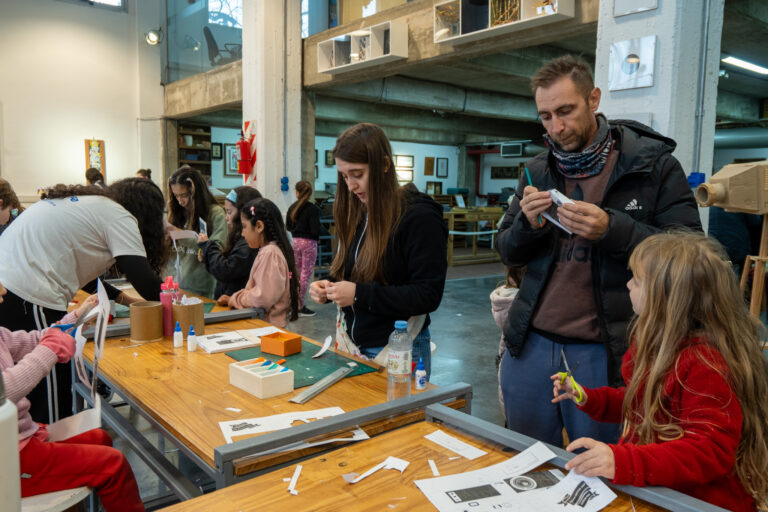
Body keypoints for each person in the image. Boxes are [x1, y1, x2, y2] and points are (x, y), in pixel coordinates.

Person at [497, 55, 702, 447]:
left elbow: (691, 252)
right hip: (531, 345)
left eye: (566, 111)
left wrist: (613, 230)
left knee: (601, 467)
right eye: (545, 117)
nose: (556, 128)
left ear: (593, 99)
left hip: (607, 350)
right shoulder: (538, 170)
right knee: (524, 458)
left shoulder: (653, 167)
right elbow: (507, 251)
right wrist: (527, 225)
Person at [552, 232, 768, 512]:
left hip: (697, 502)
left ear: (667, 298)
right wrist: (589, 397)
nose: (628, 284)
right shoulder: (657, 341)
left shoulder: (707, 364)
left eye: (637, 280)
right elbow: (643, 402)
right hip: (662, 491)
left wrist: (625, 461)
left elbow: (710, 451)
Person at [0, 178, 168, 423]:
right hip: (28, 293)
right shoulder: (120, 216)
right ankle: (52, 443)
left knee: (32, 393)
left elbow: (86, 277)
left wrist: (125, 299)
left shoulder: (93, 206)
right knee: (49, 393)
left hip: (11, 287)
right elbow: (142, 278)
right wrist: (175, 301)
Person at [309, 123, 447, 378]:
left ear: (384, 165)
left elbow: (428, 294)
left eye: (357, 174)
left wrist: (359, 295)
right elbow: (357, 273)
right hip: (353, 345)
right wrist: (329, 286)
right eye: (344, 176)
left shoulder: (419, 217)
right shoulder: (362, 213)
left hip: (398, 348)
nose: (350, 185)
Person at [0, 285, 145, 512]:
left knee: (100, 438)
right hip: (9, 459)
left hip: (19, 439)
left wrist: (74, 319)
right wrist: (50, 349)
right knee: (113, 465)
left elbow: (35, 339)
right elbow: (5, 391)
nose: (3, 290)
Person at [218, 198, 299, 328]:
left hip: (268, 329)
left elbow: (261, 298)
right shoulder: (269, 251)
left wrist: (235, 298)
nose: (243, 234)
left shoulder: (270, 253)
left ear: (259, 226)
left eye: (244, 227)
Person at [166, 166, 227, 298]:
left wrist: (180, 234)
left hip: (202, 289)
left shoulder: (215, 213)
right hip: (176, 287)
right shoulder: (178, 213)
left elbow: (217, 248)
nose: (180, 201)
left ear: (195, 192)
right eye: (176, 196)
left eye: (184, 195)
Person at [198, 186, 262, 300]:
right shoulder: (238, 238)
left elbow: (226, 271)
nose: (226, 218)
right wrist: (207, 256)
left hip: (237, 304)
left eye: (229, 212)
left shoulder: (249, 244)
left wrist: (208, 247)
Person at [286, 180, 321, 317]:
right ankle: (299, 306)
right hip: (309, 244)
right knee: (305, 275)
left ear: (297, 192)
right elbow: (315, 229)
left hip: (295, 242)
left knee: (295, 274)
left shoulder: (292, 207)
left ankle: (292, 303)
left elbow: (288, 226)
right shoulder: (313, 209)